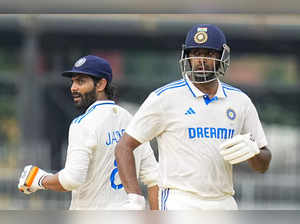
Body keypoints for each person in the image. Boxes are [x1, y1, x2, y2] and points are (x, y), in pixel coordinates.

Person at [115, 24, 272, 210]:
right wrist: (135, 197)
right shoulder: (164, 98)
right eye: (195, 53)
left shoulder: (240, 101)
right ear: (187, 56)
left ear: (222, 57)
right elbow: (124, 146)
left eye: (209, 54)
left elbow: (263, 165)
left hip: (223, 201)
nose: (201, 60)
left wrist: (253, 152)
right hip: (180, 200)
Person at [18, 55, 159, 210]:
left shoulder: (83, 124)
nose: (73, 87)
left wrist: (39, 179)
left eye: (81, 81)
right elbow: (154, 178)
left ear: (101, 84)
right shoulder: (130, 119)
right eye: (73, 81)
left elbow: (72, 179)